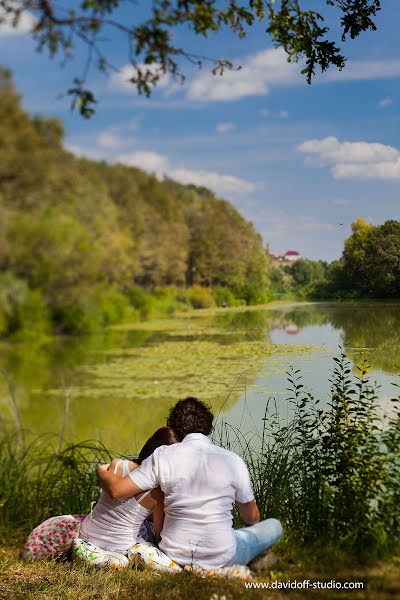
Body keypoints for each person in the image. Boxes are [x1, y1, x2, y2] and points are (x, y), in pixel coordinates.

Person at [97, 397, 282, 569]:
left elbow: (116, 491)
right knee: (274, 526)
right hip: (221, 556)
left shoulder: (162, 455)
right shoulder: (232, 460)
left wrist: (102, 472)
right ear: (208, 427)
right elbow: (251, 516)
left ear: (174, 429)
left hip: (173, 554)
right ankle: (253, 557)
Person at [78, 426, 178, 560]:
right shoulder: (157, 494)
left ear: (148, 444)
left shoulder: (118, 465)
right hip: (119, 547)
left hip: (86, 535)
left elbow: (102, 471)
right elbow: (159, 534)